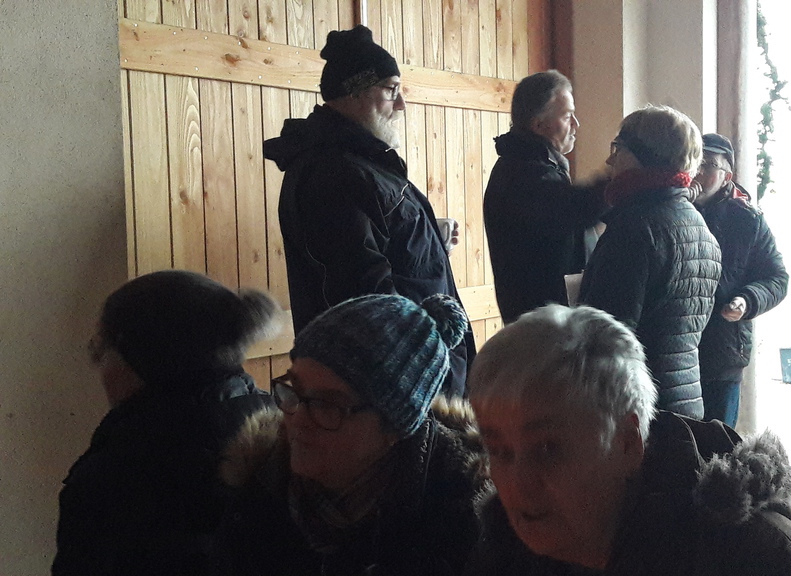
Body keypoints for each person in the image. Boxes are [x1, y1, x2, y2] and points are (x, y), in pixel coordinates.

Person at [464, 304, 791, 576]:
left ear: (628, 443)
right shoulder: (503, 552)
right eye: (499, 450)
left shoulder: (764, 561)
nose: (516, 483)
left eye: (548, 448)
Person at [212, 293, 490, 576]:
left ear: (395, 427)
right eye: (294, 389)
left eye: (327, 404)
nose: (297, 419)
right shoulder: (259, 490)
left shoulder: (465, 517)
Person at [266, 25, 474, 396]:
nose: (402, 104)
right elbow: (366, 299)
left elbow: (385, 251)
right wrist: (417, 377)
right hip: (394, 389)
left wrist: (428, 239)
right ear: (354, 93)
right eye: (391, 89)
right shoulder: (335, 174)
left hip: (415, 377)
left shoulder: (362, 165)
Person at [53, 270, 280, 576]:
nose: (100, 369)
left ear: (140, 358)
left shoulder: (113, 479)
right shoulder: (281, 429)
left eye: (102, 351)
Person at [578, 105, 721, 419]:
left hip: (638, 413)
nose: (610, 160)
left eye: (618, 149)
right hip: (685, 405)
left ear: (644, 157)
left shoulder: (635, 228)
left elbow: (605, 341)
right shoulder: (699, 227)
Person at [483, 70, 608, 323]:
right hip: (540, 326)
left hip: (550, 320)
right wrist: (625, 178)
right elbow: (574, 209)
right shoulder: (522, 174)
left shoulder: (535, 166)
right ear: (538, 125)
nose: (576, 124)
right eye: (567, 116)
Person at [691, 134, 788, 427]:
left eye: (708, 165)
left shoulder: (747, 219)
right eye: (695, 162)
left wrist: (747, 300)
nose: (698, 172)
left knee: (718, 439)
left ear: (727, 176)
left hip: (723, 351)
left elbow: (777, 278)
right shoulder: (674, 209)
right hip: (674, 350)